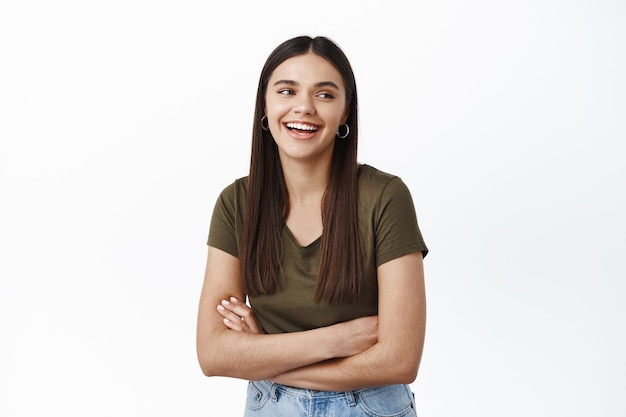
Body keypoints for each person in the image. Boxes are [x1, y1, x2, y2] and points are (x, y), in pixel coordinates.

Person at [196, 35, 428, 416]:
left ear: (345, 113)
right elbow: (213, 353)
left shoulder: (385, 196)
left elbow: (400, 360)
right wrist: (338, 339)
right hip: (271, 407)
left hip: (368, 406)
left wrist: (265, 353)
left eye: (324, 94)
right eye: (287, 90)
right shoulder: (236, 203)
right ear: (265, 106)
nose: (303, 107)